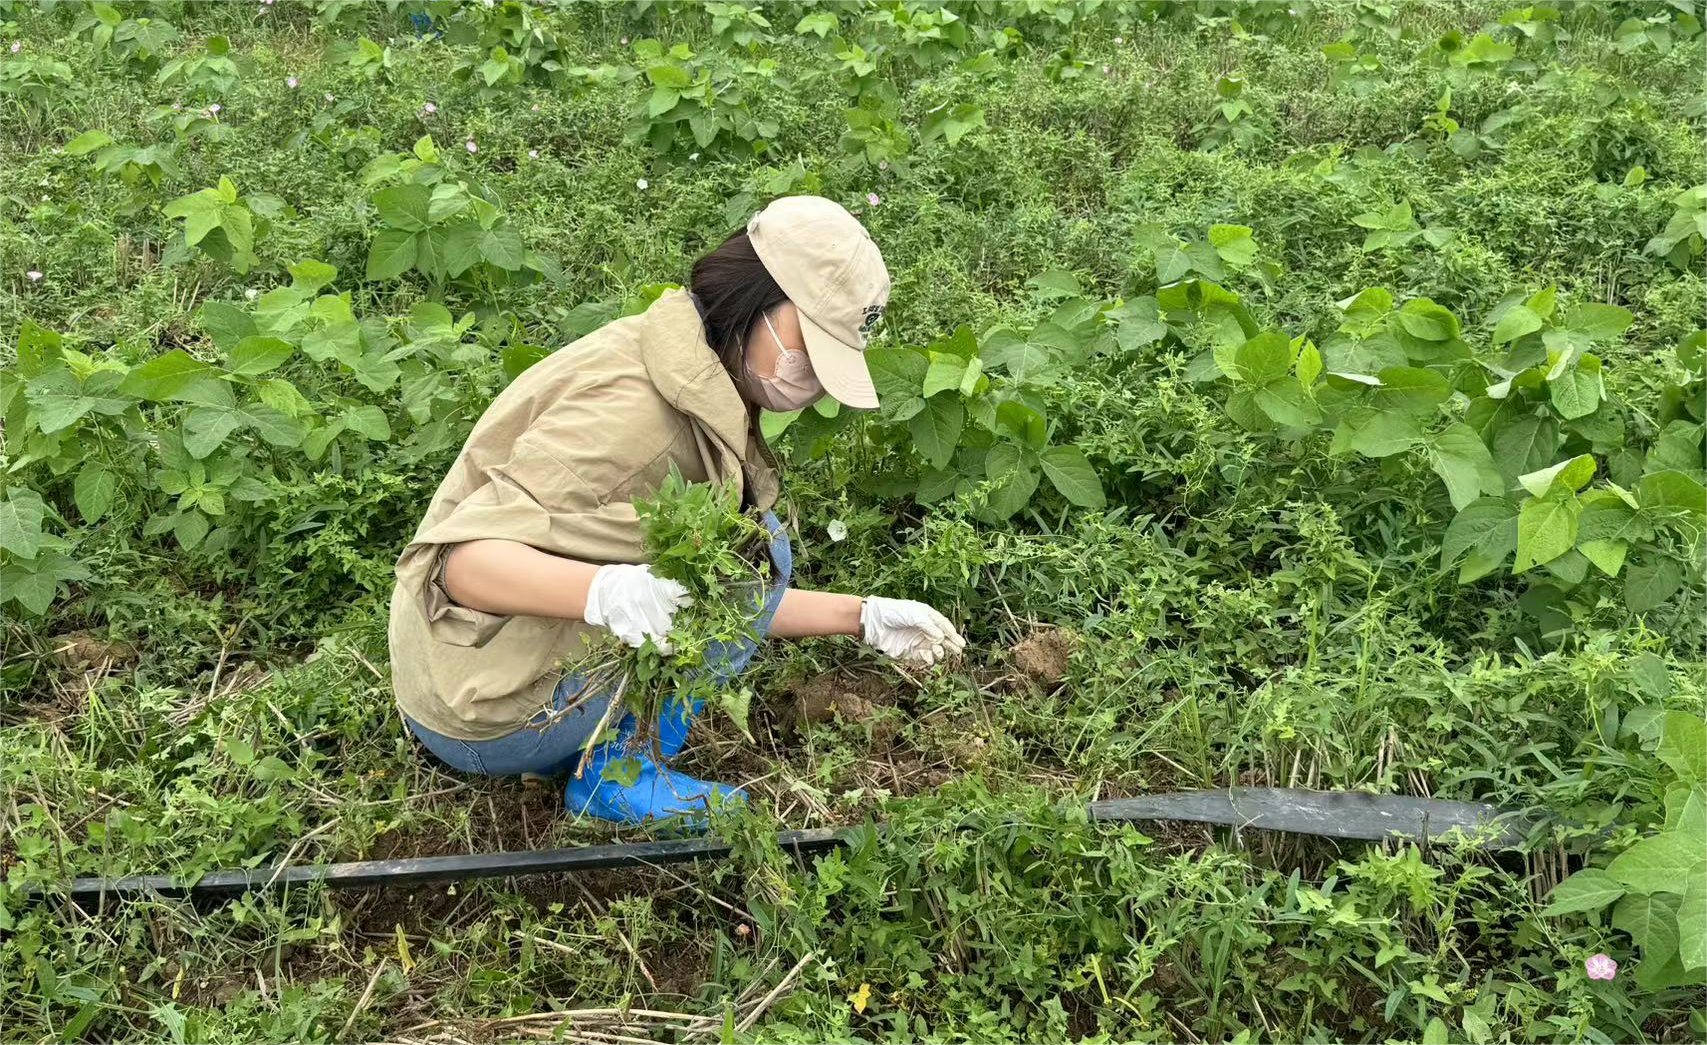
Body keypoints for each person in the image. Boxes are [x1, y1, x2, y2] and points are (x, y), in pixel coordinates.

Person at [387, 196, 966, 825]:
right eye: (810, 344)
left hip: (460, 681)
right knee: (755, 551)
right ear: (754, 302)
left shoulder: (679, 352)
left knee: (747, 546)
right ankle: (618, 774)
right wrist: (605, 592)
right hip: (485, 724)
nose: (819, 381)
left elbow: (717, 597)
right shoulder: (635, 422)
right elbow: (459, 567)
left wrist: (864, 617)